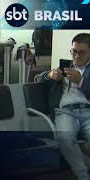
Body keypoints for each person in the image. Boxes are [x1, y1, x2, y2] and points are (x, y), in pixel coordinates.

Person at [35, 33, 90, 180]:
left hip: (88, 112)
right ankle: (83, 176)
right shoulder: (64, 67)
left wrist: (82, 81)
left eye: (82, 52)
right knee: (64, 137)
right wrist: (50, 74)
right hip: (66, 112)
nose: (77, 56)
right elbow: (38, 79)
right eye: (74, 51)